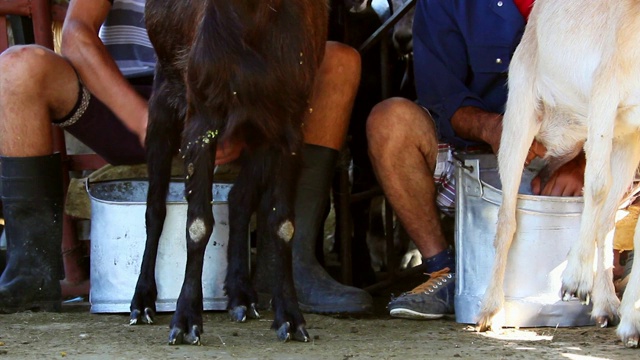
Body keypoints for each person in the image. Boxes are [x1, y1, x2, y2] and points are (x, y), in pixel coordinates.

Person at [0, 0, 372, 314]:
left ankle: (288, 266)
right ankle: (29, 274)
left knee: (338, 62)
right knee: (19, 66)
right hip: (127, 100)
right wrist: (139, 118)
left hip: (234, 95)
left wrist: (241, 118)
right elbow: (77, 35)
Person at [366, 0, 585, 320]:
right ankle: (442, 272)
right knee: (389, 121)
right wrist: (492, 127)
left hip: (569, 158)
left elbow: (616, 92)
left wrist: (583, 160)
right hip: (475, 163)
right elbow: (442, 95)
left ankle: (609, 264)